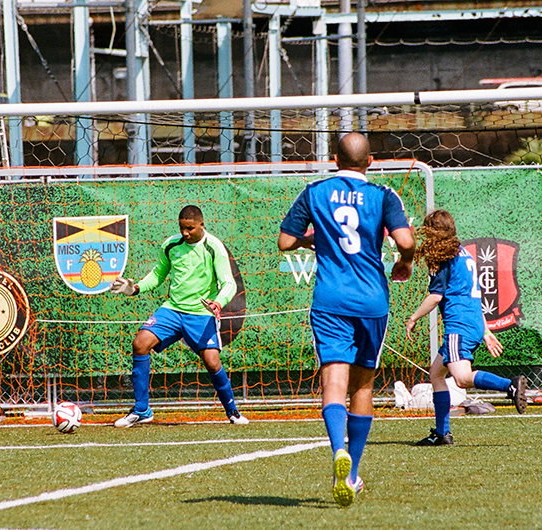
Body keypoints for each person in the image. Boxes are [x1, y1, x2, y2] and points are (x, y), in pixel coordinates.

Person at [278, 132, 416, 507]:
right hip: (372, 302)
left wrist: (313, 239)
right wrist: (404, 263)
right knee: (363, 387)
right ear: (369, 162)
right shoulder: (384, 195)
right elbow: (405, 241)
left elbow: (285, 242)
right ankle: (352, 471)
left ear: (335, 160)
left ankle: (337, 448)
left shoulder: (315, 191)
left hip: (330, 300)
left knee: (333, 383)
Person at [110, 205, 248, 427]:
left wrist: (218, 302)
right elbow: (157, 275)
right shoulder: (171, 245)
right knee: (140, 343)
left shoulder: (214, 248)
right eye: (182, 228)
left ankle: (232, 411)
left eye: (190, 228)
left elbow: (229, 283)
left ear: (201, 225)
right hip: (172, 310)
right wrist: (135, 288)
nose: (185, 233)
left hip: (200, 313)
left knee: (212, 363)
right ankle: (142, 410)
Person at [406, 209, 527, 446]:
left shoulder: (442, 257)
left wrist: (413, 318)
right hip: (473, 321)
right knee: (436, 374)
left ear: (434, 232)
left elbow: (435, 297)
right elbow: (473, 297)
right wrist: (485, 331)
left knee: (461, 378)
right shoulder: (464, 254)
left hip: (458, 325)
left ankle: (509, 385)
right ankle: (442, 433)